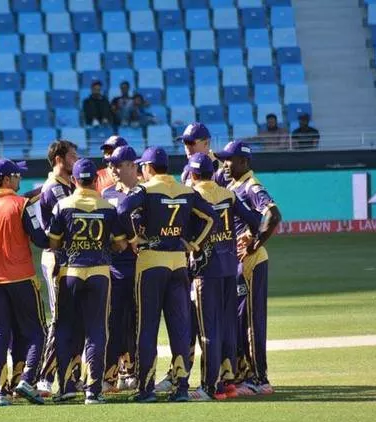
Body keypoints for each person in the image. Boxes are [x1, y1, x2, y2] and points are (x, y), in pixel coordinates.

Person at [117, 147, 215, 402]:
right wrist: (193, 244)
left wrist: (133, 238)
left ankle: (146, 389)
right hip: (178, 263)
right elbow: (211, 217)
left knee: (147, 327)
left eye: (143, 166)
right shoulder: (186, 190)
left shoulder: (144, 189)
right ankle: (181, 388)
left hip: (151, 262)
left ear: (148, 168)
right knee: (179, 327)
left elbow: (122, 209)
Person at [48, 158, 128, 404]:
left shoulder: (62, 205)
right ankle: (93, 390)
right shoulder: (108, 207)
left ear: (74, 180)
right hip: (99, 273)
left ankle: (67, 386)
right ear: (95, 180)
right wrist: (104, 248)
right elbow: (121, 243)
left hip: (70, 272)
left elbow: (54, 242)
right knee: (96, 331)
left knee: (65, 328)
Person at [0, 158, 50, 407]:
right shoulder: (21, 204)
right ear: (7, 179)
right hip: (22, 278)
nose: (20, 180)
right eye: (17, 176)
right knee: (37, 332)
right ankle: (27, 379)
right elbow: (40, 239)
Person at [185, 152, 261, 401]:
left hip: (206, 272)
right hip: (229, 268)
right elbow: (256, 219)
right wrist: (250, 238)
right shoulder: (228, 194)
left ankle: (209, 387)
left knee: (208, 330)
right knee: (227, 326)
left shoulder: (192, 196)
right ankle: (228, 382)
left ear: (193, 174)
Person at [218, 141, 282, 396]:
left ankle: (260, 379)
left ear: (244, 162)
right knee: (239, 319)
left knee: (252, 321)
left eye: (229, 159)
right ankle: (246, 374)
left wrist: (255, 243)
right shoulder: (233, 186)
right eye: (224, 159)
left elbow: (273, 214)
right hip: (238, 263)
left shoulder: (251, 186)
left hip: (252, 263)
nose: (225, 164)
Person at [36, 140, 79, 397]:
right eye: (73, 156)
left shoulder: (66, 185)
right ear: (59, 159)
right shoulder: (55, 189)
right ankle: (44, 376)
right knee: (60, 317)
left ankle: (70, 375)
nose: (77, 160)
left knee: (71, 317)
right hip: (56, 257)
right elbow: (70, 221)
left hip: (68, 259)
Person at [101, 145, 140, 392]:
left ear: (132, 165)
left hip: (139, 268)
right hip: (113, 270)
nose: (113, 169)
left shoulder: (145, 191)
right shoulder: (106, 193)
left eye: (118, 165)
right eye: (111, 165)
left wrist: (131, 239)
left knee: (136, 324)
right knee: (113, 324)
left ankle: (135, 373)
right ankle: (109, 376)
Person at [176, 122, 216, 186]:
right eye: (185, 143)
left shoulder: (221, 169)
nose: (187, 147)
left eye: (191, 143)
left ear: (206, 143)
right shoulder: (187, 171)